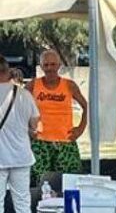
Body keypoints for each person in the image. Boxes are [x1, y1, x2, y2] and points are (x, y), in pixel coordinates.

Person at [0, 56, 41, 213]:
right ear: (8, 71)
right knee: (23, 205)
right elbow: (34, 124)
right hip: (22, 156)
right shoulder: (24, 94)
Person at [27, 49, 87, 185]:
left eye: (53, 64)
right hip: (40, 142)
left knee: (70, 181)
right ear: (41, 66)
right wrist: (28, 129)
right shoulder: (32, 85)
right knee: (40, 182)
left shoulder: (69, 85)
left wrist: (80, 129)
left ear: (59, 65)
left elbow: (86, 107)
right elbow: (19, 109)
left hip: (65, 141)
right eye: (46, 65)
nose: (49, 68)